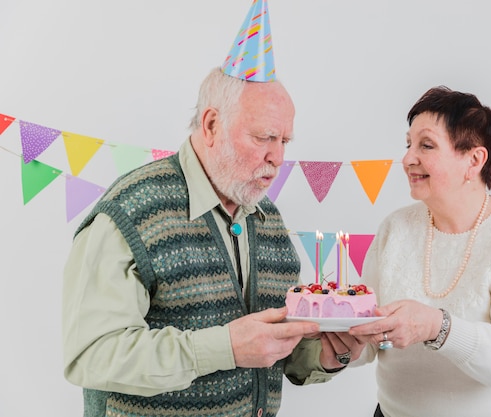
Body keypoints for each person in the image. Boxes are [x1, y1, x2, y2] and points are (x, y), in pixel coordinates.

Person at [62, 67, 362, 417]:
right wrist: (226, 347)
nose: (277, 158)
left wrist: (330, 354)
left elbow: (280, 347)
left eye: (284, 141)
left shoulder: (268, 220)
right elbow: (92, 355)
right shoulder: (131, 212)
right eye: (264, 137)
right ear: (211, 126)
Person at [349, 86, 491, 417]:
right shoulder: (395, 228)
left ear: (474, 160)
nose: (407, 159)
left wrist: (437, 327)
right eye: (408, 144)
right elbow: (368, 343)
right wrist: (335, 341)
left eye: (426, 145)